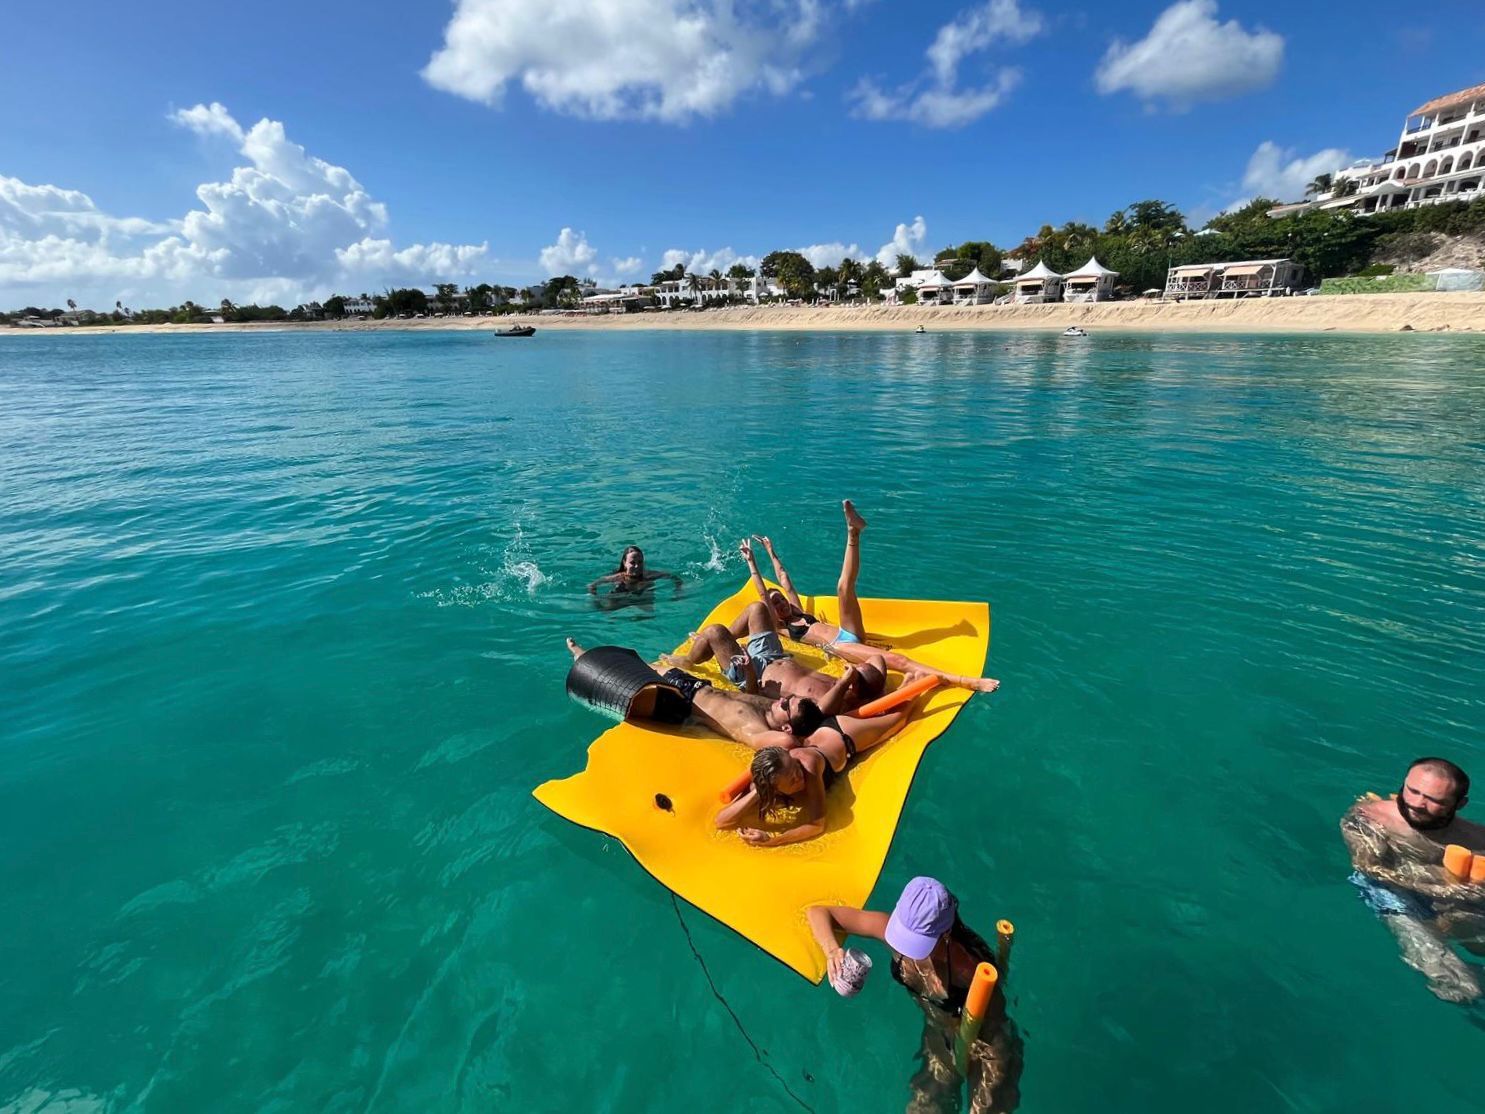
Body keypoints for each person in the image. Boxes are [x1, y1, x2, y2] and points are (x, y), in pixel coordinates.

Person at [807, 879, 1022, 1113]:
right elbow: (819, 912)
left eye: (915, 941)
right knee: (921, 1108)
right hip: (938, 1037)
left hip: (984, 1044)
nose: (905, 949)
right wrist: (832, 950)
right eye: (903, 935)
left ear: (946, 933)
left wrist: (986, 1089)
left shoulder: (968, 971)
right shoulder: (889, 928)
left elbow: (995, 1039)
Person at [739, 504, 1000, 693]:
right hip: (840, 647)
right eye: (775, 604)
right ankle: (966, 681)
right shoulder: (781, 627)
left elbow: (784, 578)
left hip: (846, 631)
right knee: (900, 662)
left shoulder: (796, 608)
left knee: (843, 587)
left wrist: (771, 552)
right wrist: (752, 563)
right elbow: (763, 593)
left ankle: (853, 532)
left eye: (780, 599)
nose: (781, 602)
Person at [1341, 757, 1485, 1002]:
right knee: (1461, 987)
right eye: (1413, 790)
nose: (1418, 803)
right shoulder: (1369, 818)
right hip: (1393, 892)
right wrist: (1440, 891)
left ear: (1460, 804)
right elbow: (1368, 869)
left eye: (1434, 800)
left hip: (1451, 898)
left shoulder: (1478, 838)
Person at [713, 681, 926, 846]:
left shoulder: (808, 765)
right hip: (819, 738)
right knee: (881, 712)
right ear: (773, 786)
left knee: (899, 718)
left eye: (795, 768)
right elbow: (721, 821)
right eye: (792, 778)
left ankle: (917, 685)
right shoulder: (769, 778)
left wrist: (772, 841)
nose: (799, 775)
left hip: (843, 736)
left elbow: (817, 824)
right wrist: (757, 794)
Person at [564, 638, 826, 748]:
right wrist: (747, 673)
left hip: (681, 704)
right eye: (788, 699)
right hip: (692, 684)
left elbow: (789, 744)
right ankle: (584, 652)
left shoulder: (756, 731)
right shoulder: (769, 706)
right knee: (643, 663)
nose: (782, 700)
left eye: (786, 706)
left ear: (788, 728)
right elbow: (761, 696)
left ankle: (580, 655)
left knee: (617, 679)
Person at [662, 598, 887, 712]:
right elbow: (877, 661)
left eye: (856, 672)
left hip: (754, 672)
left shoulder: (835, 701)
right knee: (757, 608)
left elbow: (819, 713)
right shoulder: (847, 684)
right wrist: (869, 677)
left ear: (856, 688)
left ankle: (690, 659)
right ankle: (717, 644)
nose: (852, 668)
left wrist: (749, 668)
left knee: (714, 631)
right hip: (774, 655)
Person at [588, 546, 682, 608]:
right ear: (625, 563)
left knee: (649, 616)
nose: (637, 566)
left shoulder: (649, 575)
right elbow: (592, 585)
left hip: (642, 595)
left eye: (640, 562)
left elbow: (675, 578)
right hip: (621, 595)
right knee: (606, 611)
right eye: (632, 563)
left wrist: (678, 592)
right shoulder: (617, 577)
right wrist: (596, 601)